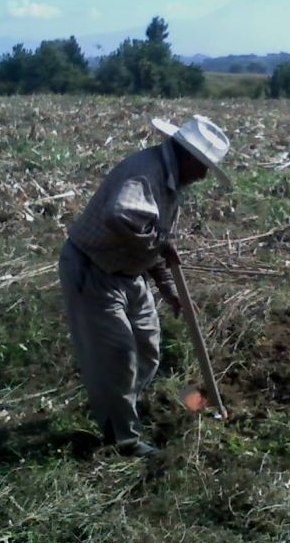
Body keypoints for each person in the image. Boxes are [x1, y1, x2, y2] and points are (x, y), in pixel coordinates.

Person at [59, 114, 231, 457]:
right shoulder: (145, 172)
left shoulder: (170, 182)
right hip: (93, 271)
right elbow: (119, 216)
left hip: (128, 273)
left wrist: (168, 290)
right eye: (203, 166)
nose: (203, 175)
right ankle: (124, 440)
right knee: (119, 357)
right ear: (188, 157)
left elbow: (152, 242)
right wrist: (158, 244)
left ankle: (117, 408)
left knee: (148, 350)